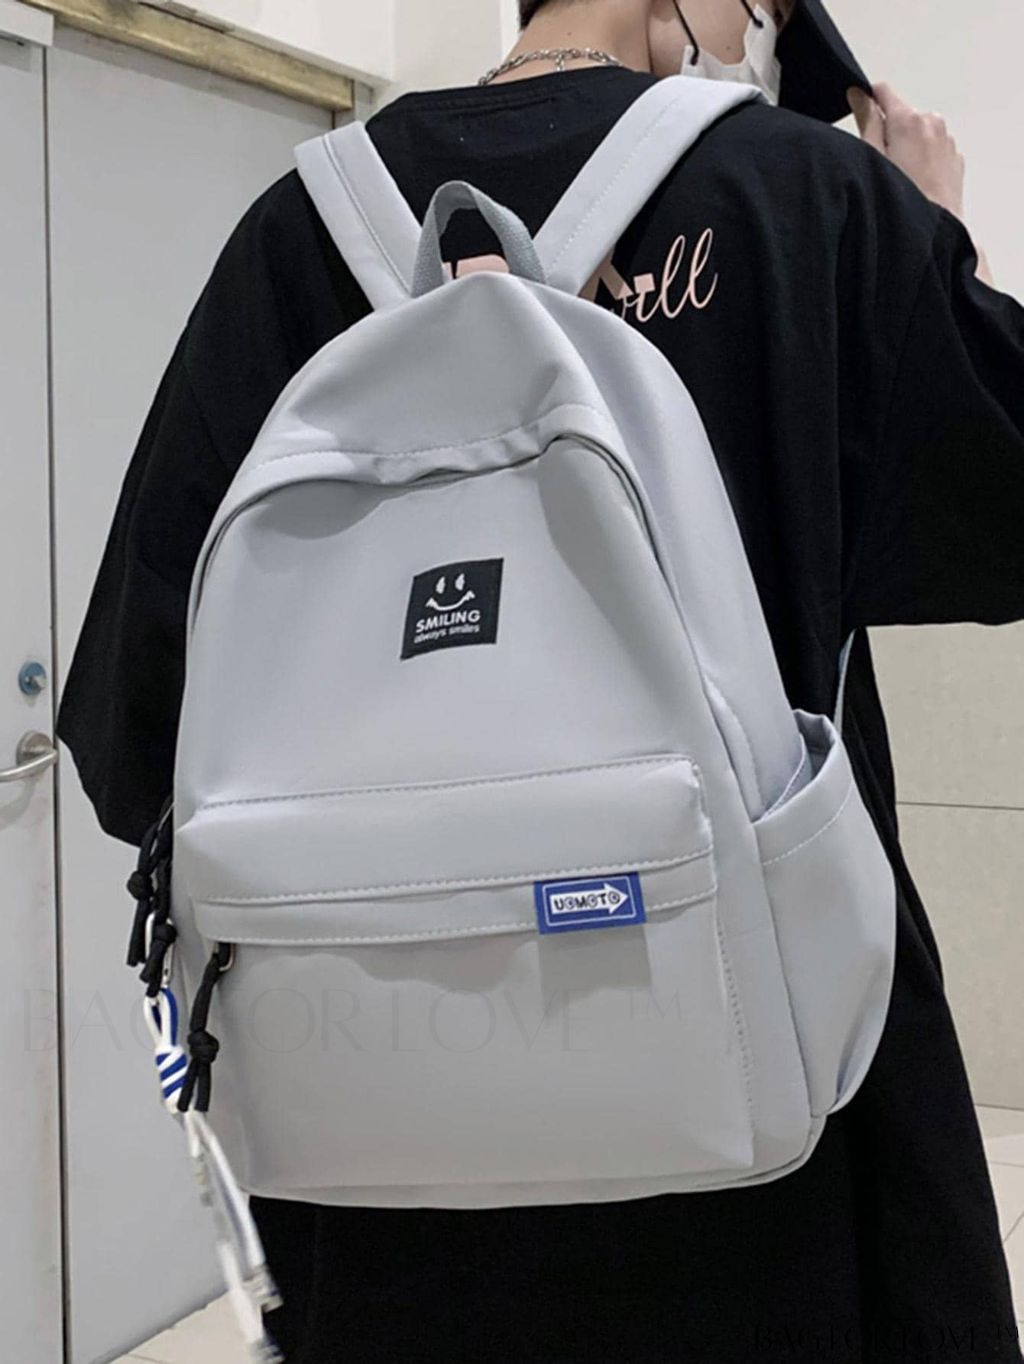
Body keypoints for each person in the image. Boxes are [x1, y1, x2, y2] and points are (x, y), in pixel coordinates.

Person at [58, 1, 1024, 1360]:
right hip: (771, 1163)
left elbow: (129, 741)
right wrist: (937, 237)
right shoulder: (809, 197)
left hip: (383, 1172)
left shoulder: (295, 237)